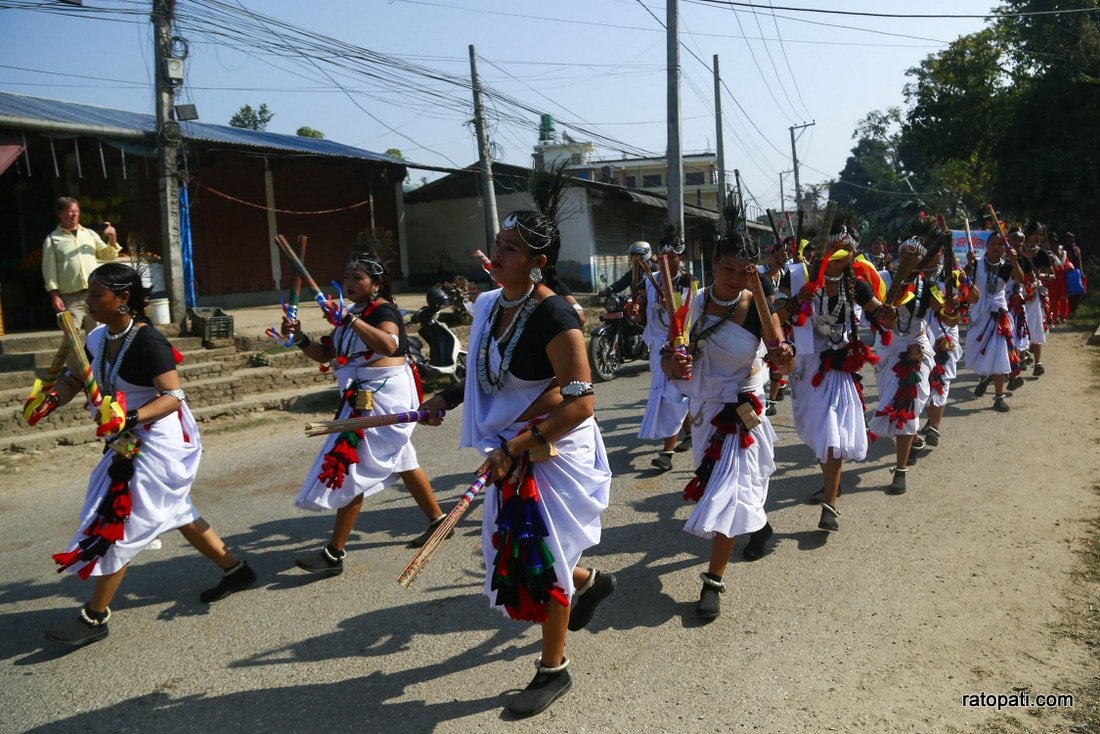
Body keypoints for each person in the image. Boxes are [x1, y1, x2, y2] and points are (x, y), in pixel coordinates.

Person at [420, 210, 614, 718]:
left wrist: (518, 446)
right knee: (514, 550)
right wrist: (447, 396)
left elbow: (580, 399)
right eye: (498, 245)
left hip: (552, 447)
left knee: (540, 555)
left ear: (538, 262)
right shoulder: (490, 305)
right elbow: (491, 373)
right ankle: (588, 581)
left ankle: (554, 669)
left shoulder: (555, 316)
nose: (497, 255)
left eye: (510, 249)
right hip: (510, 446)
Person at [38, 263, 255, 647]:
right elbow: (76, 377)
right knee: (174, 510)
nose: (87, 301)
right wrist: (51, 400)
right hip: (125, 437)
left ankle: (95, 616)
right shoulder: (98, 337)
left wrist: (131, 416)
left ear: (123, 300)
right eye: (88, 293)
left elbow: (174, 396)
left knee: (121, 522)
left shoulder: (148, 341)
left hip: (158, 439)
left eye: (95, 295)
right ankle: (234, 569)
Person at [284, 253, 447, 576]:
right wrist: (301, 337)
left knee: (352, 463)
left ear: (376, 284)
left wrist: (350, 321)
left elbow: (389, 344)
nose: (349, 283)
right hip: (362, 394)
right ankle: (439, 521)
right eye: (347, 276)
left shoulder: (381, 311)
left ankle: (334, 554)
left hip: (384, 396)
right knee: (401, 458)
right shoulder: (351, 314)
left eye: (358, 277)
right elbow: (327, 353)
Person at [662, 231, 793, 620]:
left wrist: (785, 355)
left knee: (728, 493)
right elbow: (670, 357)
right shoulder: (692, 303)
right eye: (726, 268)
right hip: (703, 409)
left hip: (741, 408)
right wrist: (676, 364)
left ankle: (712, 582)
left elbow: (783, 359)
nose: (733, 278)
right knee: (721, 487)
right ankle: (761, 527)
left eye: (742, 271)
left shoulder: (758, 305)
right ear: (712, 263)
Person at [775, 225, 885, 532]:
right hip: (804, 364)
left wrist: (896, 303)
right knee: (816, 431)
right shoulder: (797, 277)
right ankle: (830, 485)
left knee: (832, 433)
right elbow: (776, 316)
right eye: (834, 250)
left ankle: (830, 505)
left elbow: (883, 315)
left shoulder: (858, 285)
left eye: (845, 251)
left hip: (838, 365)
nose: (841, 256)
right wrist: (798, 300)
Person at [866, 242, 933, 495]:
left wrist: (960, 296)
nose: (908, 261)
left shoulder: (928, 284)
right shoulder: (882, 279)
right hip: (887, 347)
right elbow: (870, 313)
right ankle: (913, 440)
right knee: (888, 401)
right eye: (905, 255)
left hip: (915, 347)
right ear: (896, 255)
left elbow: (950, 314)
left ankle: (901, 469)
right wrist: (885, 317)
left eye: (915, 258)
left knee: (907, 404)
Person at [639, 235, 693, 472]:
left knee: (671, 396)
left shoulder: (689, 282)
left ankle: (667, 451)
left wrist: (673, 303)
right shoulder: (649, 281)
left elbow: (689, 315)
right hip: (656, 346)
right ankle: (690, 431)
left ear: (681, 259)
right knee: (674, 395)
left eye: (672, 257)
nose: (667, 261)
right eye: (663, 257)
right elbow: (642, 313)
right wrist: (635, 311)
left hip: (677, 345)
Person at [964, 233, 1027, 412]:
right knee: (979, 353)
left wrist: (1015, 261)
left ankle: (999, 397)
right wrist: (968, 266)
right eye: (993, 243)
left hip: (999, 314)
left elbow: (1021, 279)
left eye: (1000, 244)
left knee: (999, 353)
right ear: (987, 245)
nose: (996, 247)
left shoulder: (1007, 265)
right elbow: (963, 280)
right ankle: (984, 378)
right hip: (979, 314)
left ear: (1004, 248)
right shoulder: (976, 263)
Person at [42, 196, 123, 333]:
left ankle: (95, 356)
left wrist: (112, 238)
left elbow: (107, 255)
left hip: (94, 294)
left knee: (97, 334)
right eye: (70, 211)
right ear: (60, 214)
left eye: (77, 211)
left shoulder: (89, 234)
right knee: (72, 336)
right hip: (70, 296)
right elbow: (49, 270)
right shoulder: (53, 239)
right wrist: (54, 296)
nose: (75, 215)